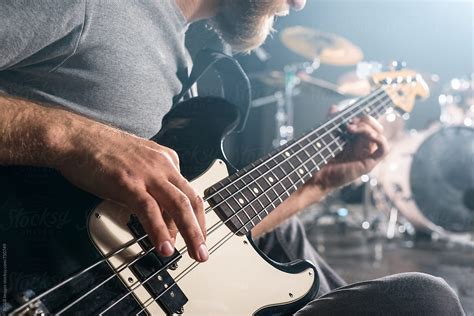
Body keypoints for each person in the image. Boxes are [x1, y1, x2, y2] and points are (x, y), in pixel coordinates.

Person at [0, 0, 464, 314]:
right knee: (425, 300)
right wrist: (70, 137)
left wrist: (323, 182)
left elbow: (204, 234)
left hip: (152, 288)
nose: (300, 3)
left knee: (312, 251)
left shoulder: (196, 64)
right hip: (40, 286)